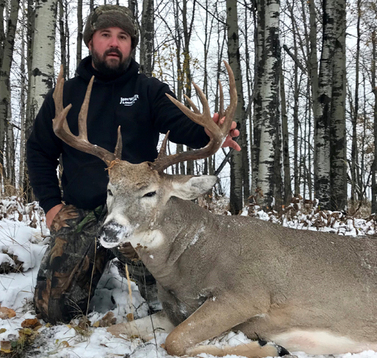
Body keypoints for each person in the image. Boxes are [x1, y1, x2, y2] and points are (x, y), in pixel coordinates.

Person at [26, 4, 240, 324]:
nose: (114, 42)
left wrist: (209, 129)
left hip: (138, 211)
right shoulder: (67, 94)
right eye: (105, 35)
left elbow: (181, 125)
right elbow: (39, 151)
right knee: (54, 310)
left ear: (130, 45)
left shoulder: (148, 91)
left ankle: (151, 281)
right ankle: (97, 266)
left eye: (122, 36)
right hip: (84, 213)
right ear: (90, 42)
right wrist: (51, 206)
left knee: (178, 303)